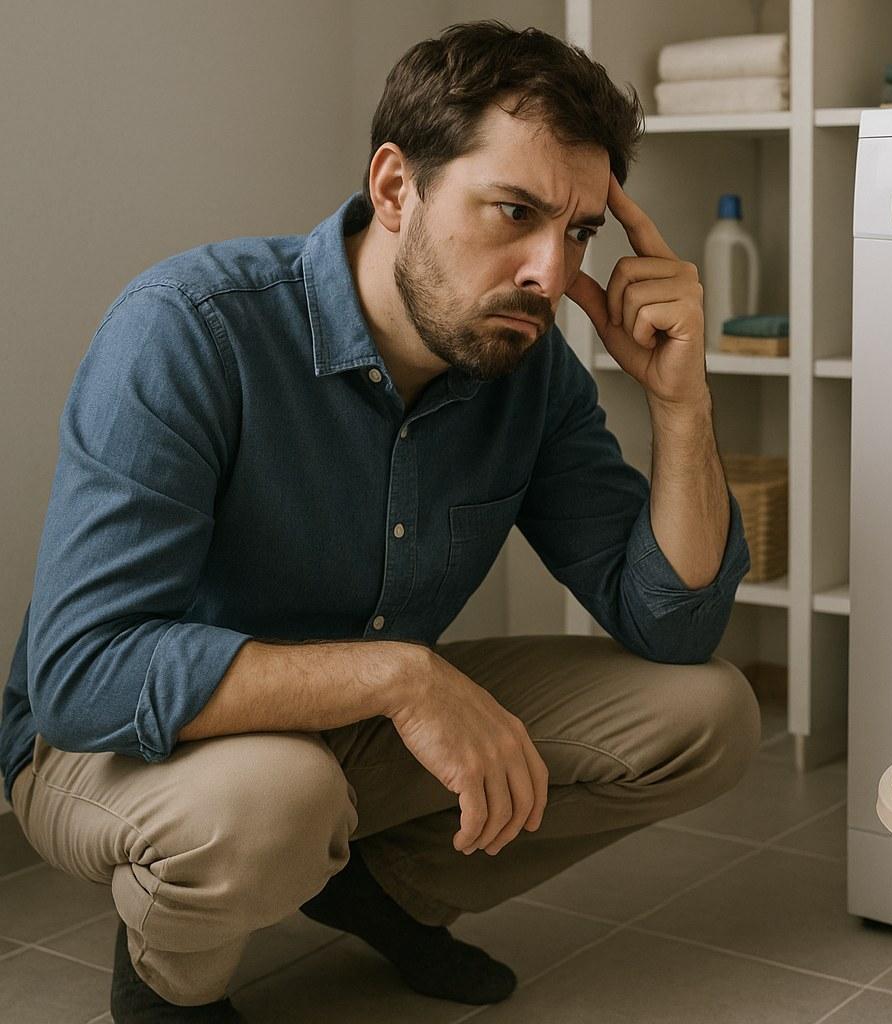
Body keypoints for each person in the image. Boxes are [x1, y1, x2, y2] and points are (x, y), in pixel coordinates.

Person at [0, 20, 760, 1023]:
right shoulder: (190, 329)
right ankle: (168, 984)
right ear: (398, 188)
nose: (549, 272)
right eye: (515, 211)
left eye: (579, 231)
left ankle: (380, 892)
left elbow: (675, 625)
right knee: (277, 797)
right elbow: (80, 676)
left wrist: (681, 403)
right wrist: (400, 676)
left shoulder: (528, 371)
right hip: (116, 746)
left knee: (708, 714)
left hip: (348, 729)